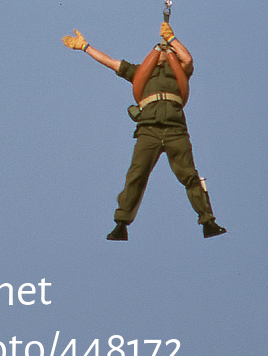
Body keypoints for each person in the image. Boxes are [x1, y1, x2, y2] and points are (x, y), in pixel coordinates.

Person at [62, 22, 226, 240]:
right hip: (148, 129)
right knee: (136, 175)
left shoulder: (179, 72)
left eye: (167, 52)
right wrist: (85, 47)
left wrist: (171, 39)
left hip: (175, 129)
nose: (163, 54)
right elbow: (111, 62)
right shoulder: (140, 72)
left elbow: (187, 58)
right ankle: (121, 224)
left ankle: (208, 221)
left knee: (189, 175)